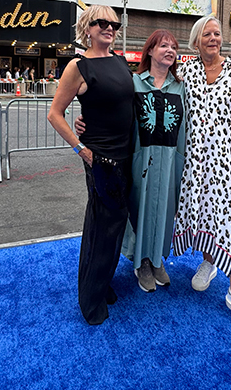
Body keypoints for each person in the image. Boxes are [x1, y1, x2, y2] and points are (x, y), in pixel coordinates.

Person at [173, 15, 231, 334]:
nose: (214, 38)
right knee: (202, 214)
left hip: (228, 161)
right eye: (207, 34)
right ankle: (209, 261)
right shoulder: (185, 73)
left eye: (217, 33)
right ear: (196, 41)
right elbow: (162, 100)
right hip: (195, 162)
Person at [75, 30, 186, 293]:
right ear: (149, 51)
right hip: (140, 158)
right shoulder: (133, 83)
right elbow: (108, 106)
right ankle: (141, 262)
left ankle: (157, 259)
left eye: (173, 47)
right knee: (139, 210)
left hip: (170, 158)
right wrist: (86, 124)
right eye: (163, 46)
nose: (169, 50)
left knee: (164, 210)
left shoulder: (181, 87)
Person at [47, 5, 134, 325]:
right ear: (87, 27)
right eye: (102, 23)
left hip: (127, 156)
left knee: (115, 226)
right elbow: (55, 114)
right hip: (101, 159)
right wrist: (80, 147)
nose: (109, 28)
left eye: (114, 23)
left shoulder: (121, 61)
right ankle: (90, 299)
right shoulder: (78, 66)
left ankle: (103, 282)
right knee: (102, 226)